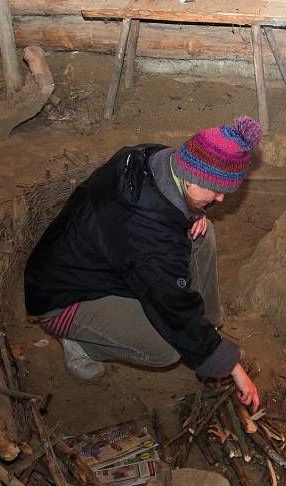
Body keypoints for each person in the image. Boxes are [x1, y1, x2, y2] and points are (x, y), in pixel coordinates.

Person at [24, 117, 262, 411]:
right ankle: (81, 345)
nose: (221, 198)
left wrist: (196, 210)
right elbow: (171, 306)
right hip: (65, 297)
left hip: (103, 260)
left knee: (203, 231)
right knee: (167, 348)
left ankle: (208, 332)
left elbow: (165, 225)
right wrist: (234, 368)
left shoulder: (153, 158)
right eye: (215, 189)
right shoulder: (147, 236)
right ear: (190, 177)